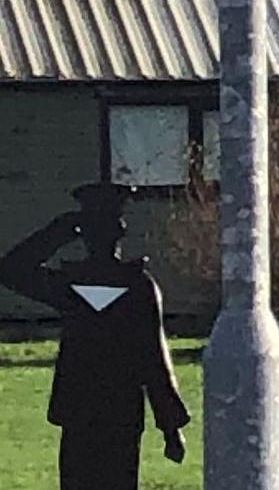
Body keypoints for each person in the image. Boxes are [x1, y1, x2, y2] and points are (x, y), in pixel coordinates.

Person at [0, 185, 189, 490]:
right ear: (121, 230)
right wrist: (169, 426)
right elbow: (153, 358)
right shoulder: (138, 286)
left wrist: (56, 233)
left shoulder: (68, 284)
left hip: (79, 405)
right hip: (120, 408)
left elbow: (12, 269)